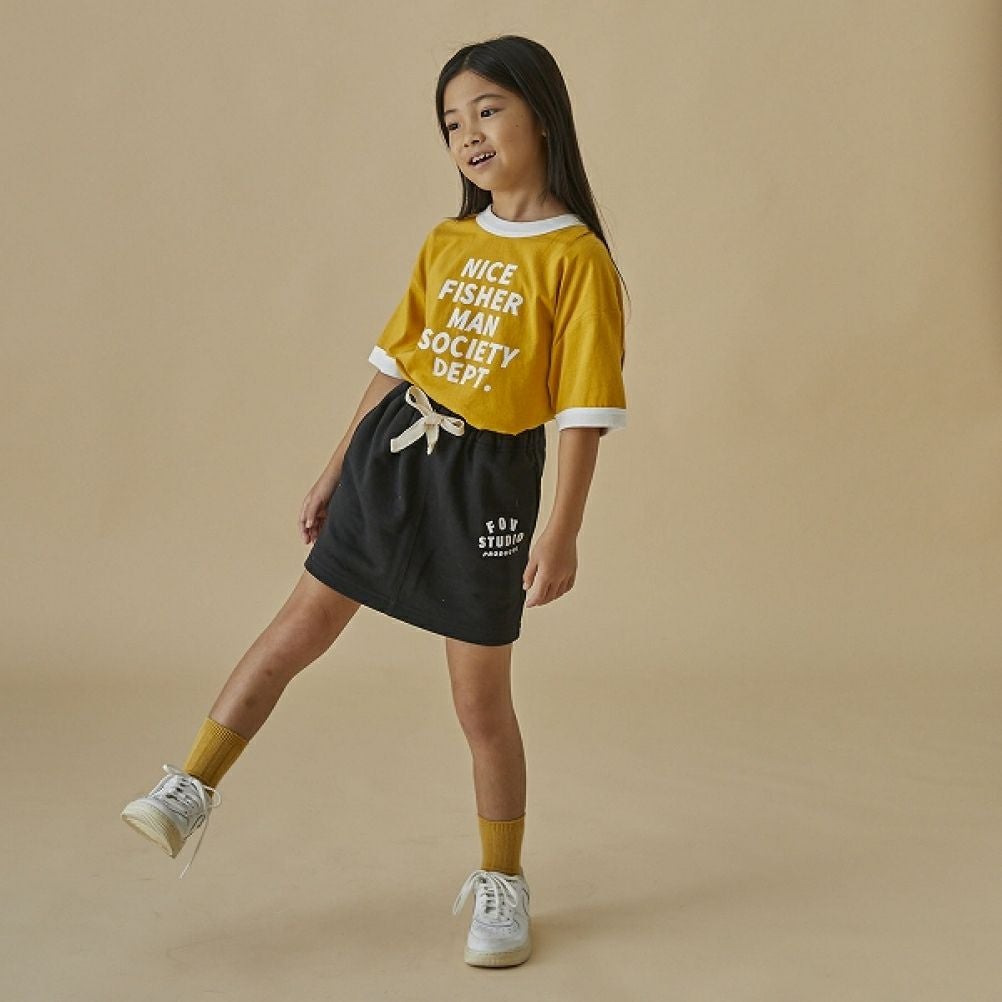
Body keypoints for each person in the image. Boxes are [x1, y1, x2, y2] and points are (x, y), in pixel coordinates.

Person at [121, 33, 629, 969]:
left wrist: (562, 529)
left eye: (487, 110)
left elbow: (583, 413)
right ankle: (191, 787)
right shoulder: (448, 241)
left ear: (541, 114)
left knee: (480, 703)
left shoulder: (577, 258)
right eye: (451, 122)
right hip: (392, 459)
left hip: (487, 485)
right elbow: (394, 368)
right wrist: (332, 470)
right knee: (297, 628)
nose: (468, 134)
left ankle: (503, 882)